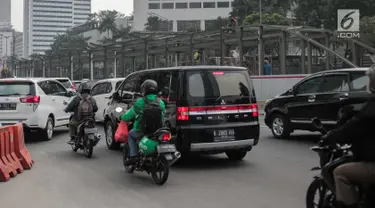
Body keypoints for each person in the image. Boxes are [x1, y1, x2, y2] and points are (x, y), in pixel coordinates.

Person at [321, 65, 375, 208]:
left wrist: (331, 136)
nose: (368, 82)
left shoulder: (372, 107)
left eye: (370, 78)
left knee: (340, 173)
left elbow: (353, 127)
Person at [120, 79, 166, 165]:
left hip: (142, 130)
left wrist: (122, 117)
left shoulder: (140, 102)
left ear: (144, 89)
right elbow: (164, 114)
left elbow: (129, 115)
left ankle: (133, 155)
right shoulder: (161, 102)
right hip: (158, 131)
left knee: (130, 134)